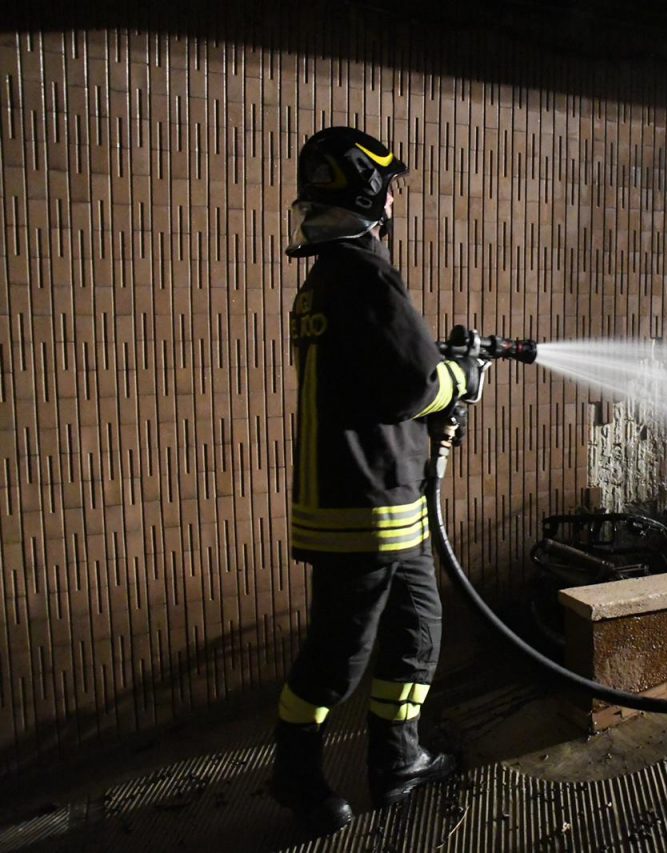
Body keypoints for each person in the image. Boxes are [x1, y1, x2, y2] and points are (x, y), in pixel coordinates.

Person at [270, 126, 480, 834]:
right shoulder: (363, 273)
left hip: (386, 507)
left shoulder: (328, 277)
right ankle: (295, 777)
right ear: (367, 191)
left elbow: (378, 375)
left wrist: (436, 372)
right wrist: (460, 377)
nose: (394, 198)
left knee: (417, 630)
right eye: (388, 185)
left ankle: (398, 761)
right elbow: (414, 381)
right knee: (338, 657)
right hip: (362, 510)